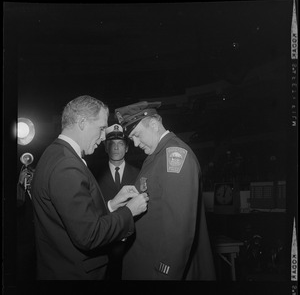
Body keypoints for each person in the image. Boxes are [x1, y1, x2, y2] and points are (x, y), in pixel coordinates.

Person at [31, 95, 149, 280]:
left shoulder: (55, 153)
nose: (103, 137)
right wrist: (128, 211)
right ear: (82, 122)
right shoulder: (66, 165)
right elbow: (89, 236)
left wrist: (111, 205)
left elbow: (75, 217)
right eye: (101, 128)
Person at [115, 101, 215, 280]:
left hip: (160, 270)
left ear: (154, 124)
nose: (136, 144)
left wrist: (165, 273)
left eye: (137, 135)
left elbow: (178, 231)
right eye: (132, 139)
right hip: (145, 262)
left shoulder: (175, 156)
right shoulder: (157, 154)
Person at [98, 123, 140, 280]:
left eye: (120, 144)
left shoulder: (139, 174)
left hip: (132, 245)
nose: (116, 148)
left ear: (127, 148)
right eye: (112, 144)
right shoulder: (93, 176)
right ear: (106, 148)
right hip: (103, 245)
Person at [17, 167, 36, 280]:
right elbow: (18, 204)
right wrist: (20, 184)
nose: (29, 178)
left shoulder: (40, 193)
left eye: (32, 174)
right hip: (24, 243)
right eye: (27, 175)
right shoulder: (20, 192)